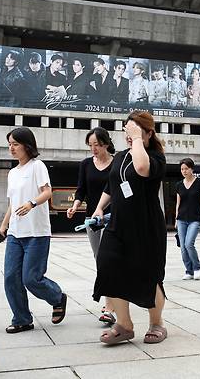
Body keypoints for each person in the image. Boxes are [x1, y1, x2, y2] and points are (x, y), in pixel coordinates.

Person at [91, 111, 168, 345]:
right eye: (126, 129)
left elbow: (142, 169)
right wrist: (99, 208)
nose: (128, 134)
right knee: (108, 266)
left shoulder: (155, 156)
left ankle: (157, 323)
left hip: (146, 225)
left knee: (149, 273)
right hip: (118, 223)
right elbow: (112, 185)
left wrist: (137, 140)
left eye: (134, 130)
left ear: (148, 133)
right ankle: (124, 324)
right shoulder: (121, 156)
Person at [0, 127, 67, 334]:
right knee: (10, 277)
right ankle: (22, 319)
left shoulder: (38, 166)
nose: (11, 148)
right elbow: (12, 202)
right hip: (15, 234)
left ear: (27, 146)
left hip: (37, 233)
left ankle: (57, 297)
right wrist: (4, 224)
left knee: (31, 278)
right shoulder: (12, 172)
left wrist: (31, 204)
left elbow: (47, 192)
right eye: (9, 144)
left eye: (15, 144)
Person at [66, 127, 117, 324]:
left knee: (107, 259)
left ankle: (109, 307)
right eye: (90, 145)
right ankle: (112, 298)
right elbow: (81, 190)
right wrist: (75, 206)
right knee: (100, 261)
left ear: (105, 143)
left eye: (97, 144)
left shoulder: (116, 163)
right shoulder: (86, 164)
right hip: (91, 220)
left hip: (113, 218)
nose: (93, 148)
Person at [175, 158, 200, 281]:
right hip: (181, 219)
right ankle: (188, 271)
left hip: (195, 219)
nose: (184, 171)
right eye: (182, 169)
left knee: (189, 244)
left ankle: (197, 267)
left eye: (186, 169)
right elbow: (178, 203)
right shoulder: (178, 185)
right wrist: (176, 218)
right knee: (183, 247)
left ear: (191, 169)